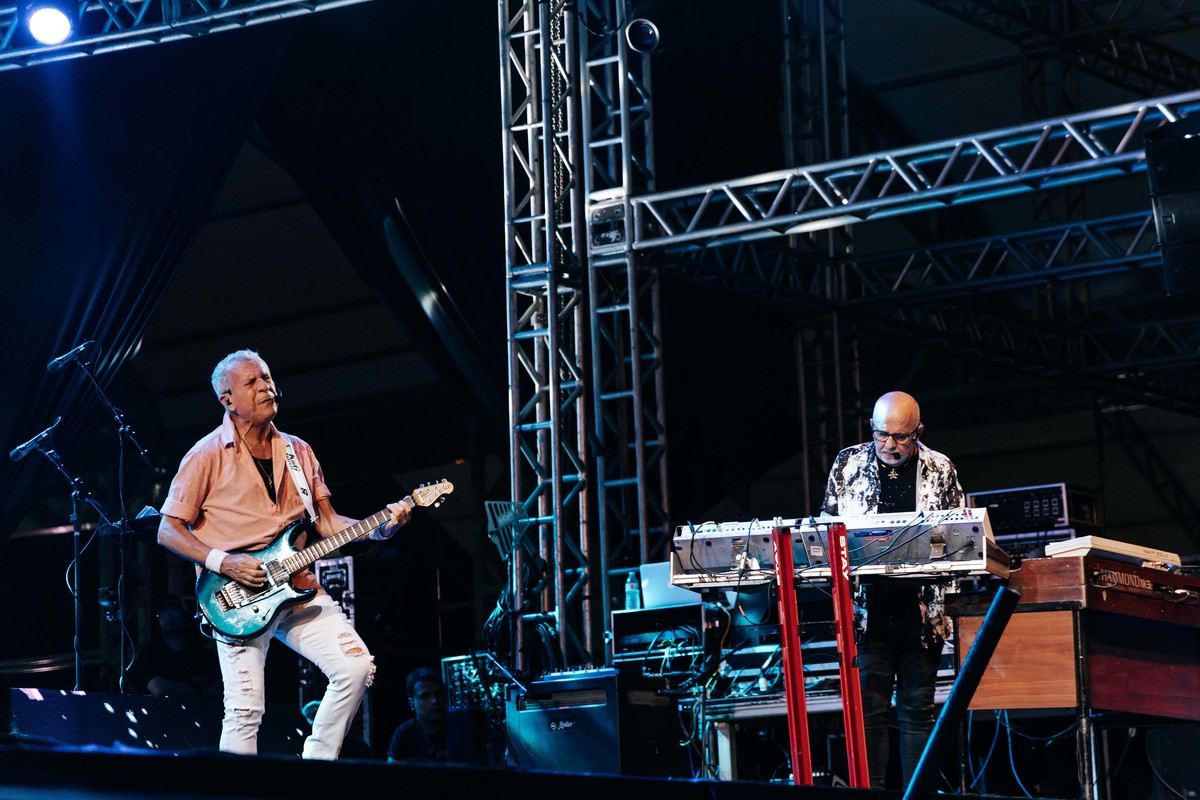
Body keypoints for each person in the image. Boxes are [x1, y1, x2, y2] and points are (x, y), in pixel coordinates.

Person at [156, 348, 414, 760]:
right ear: (227, 400)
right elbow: (168, 530)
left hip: (296, 586)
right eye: (252, 382)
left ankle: (315, 766)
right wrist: (225, 562)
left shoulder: (299, 451)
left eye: (267, 377)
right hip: (234, 596)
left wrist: (381, 527)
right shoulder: (206, 454)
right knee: (245, 711)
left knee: (355, 668)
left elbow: (326, 522)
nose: (266, 387)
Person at [819, 390, 964, 790]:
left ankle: (917, 793)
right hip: (867, 612)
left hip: (922, 610)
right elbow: (827, 529)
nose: (890, 445)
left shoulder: (940, 467)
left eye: (901, 436)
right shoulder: (847, 463)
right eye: (881, 434)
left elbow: (960, 535)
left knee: (917, 710)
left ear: (919, 432)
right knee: (869, 711)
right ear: (871, 428)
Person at [127, 600, 221, 697]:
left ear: (185, 616)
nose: (169, 617)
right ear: (157, 621)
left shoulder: (203, 654)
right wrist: (197, 688)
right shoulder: (150, 655)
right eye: (163, 613)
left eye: (175, 611)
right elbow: (158, 688)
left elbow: (219, 686)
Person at [386, 666, 447, 762]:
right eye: (425, 696)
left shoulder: (457, 729)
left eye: (438, 694)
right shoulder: (405, 732)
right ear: (411, 703)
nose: (435, 701)